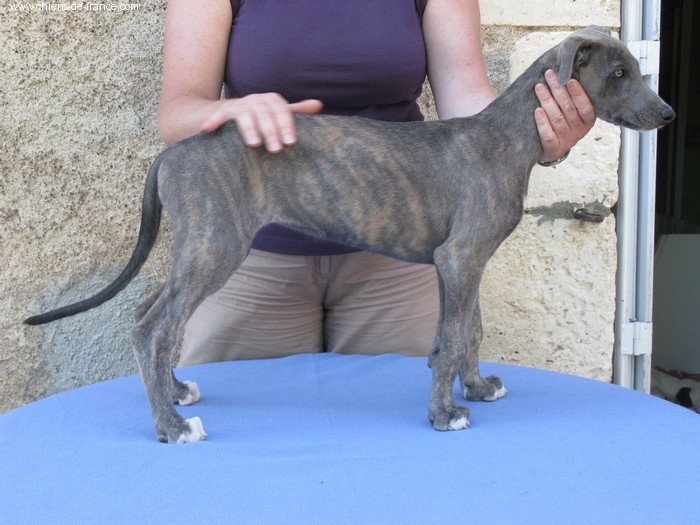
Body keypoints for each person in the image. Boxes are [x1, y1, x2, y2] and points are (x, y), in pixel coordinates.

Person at [157, 0, 596, 366]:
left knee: (400, 432)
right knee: (240, 430)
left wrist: (538, 133)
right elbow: (177, 114)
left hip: (395, 263)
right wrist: (228, 113)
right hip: (251, 260)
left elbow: (467, 105)